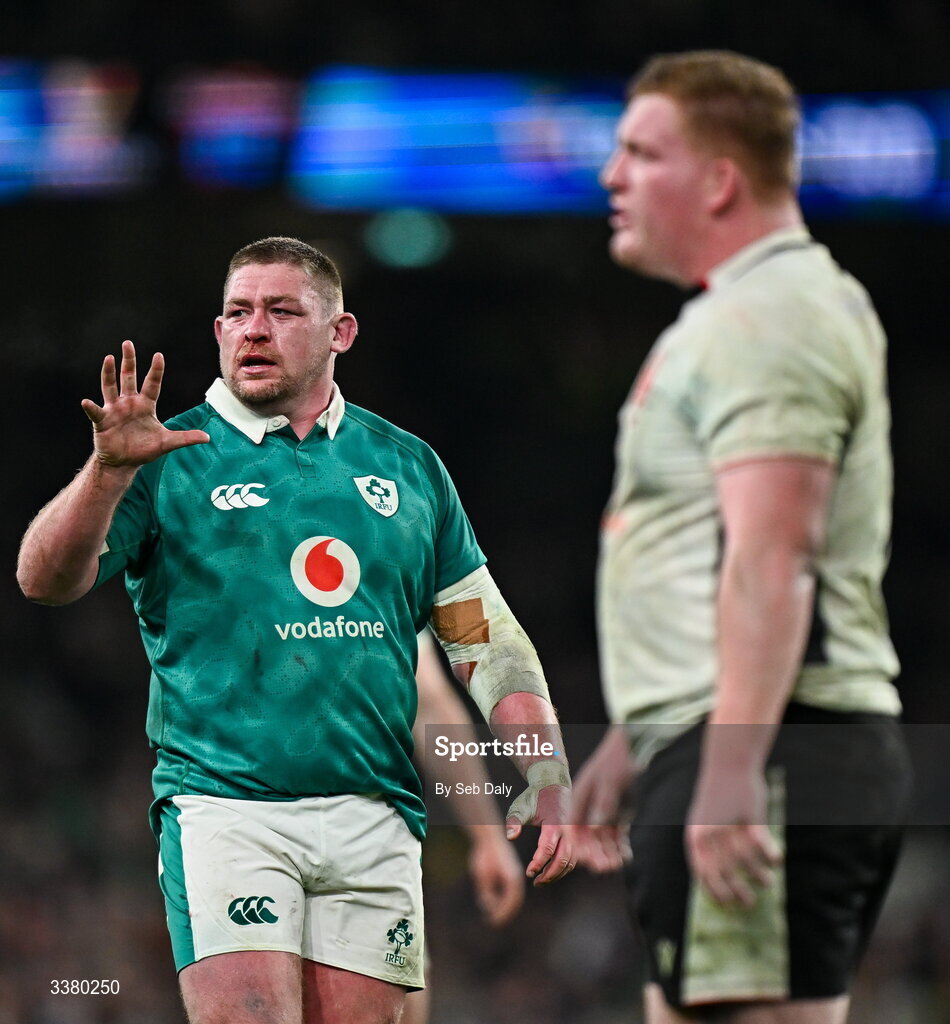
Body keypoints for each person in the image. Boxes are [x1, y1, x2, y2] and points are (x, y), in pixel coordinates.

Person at [17, 236, 573, 1024]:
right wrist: (107, 473)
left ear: (340, 332)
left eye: (281, 311)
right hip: (226, 803)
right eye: (238, 313)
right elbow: (43, 581)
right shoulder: (166, 454)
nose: (254, 329)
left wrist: (545, 770)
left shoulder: (409, 468)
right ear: (217, 332)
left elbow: (486, 641)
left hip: (375, 812)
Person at [571, 51, 912, 1024]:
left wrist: (727, 769)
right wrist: (646, 736)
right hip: (749, 736)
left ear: (718, 178)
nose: (611, 175)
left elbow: (774, 553)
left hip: (769, 750)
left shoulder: (767, 316)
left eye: (639, 152)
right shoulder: (757, 308)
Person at [404, 629, 525, 1024]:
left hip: (366, 838)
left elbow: (428, 703)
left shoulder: (382, 567)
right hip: (235, 820)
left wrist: (488, 836)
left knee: (400, 1006)